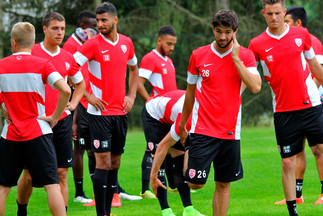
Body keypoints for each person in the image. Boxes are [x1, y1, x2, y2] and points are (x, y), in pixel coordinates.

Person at [178, 9, 261, 216]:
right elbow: (190, 94)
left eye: (227, 32)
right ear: (212, 29)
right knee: (195, 184)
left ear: (235, 31)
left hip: (231, 132)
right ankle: (189, 153)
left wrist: (236, 59)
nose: (222, 37)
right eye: (218, 31)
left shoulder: (245, 55)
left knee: (223, 184)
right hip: (203, 130)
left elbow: (256, 87)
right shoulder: (198, 55)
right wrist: (182, 124)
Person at [248, 0, 323, 215]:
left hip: (311, 105)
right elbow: (250, 76)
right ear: (263, 13)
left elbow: (315, 68)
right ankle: (293, 211)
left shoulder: (302, 34)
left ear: (284, 12)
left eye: (278, 13)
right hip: (283, 111)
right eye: (269, 13)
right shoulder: (256, 44)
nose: (274, 17)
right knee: (288, 163)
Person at [16, 12, 85, 215]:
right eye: (55, 28)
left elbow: (80, 84)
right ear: (44, 29)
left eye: (63, 29)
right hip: (34, 121)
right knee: (28, 175)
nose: (60, 32)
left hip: (61, 121)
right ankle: (22, 211)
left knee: (61, 174)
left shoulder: (67, 57)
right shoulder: (32, 52)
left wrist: (73, 103)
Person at [73, 2, 139, 216]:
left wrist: (132, 95)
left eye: (104, 20)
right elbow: (71, 67)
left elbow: (134, 68)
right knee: (102, 161)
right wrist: (87, 95)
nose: (100, 24)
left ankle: (109, 209)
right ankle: (102, 213)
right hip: (99, 114)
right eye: (98, 20)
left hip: (120, 113)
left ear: (115, 20)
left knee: (115, 162)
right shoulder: (92, 45)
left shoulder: (127, 43)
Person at [0, 22, 71, 216]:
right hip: (38, 132)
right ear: (32, 43)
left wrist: (4, 110)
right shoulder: (42, 64)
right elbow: (66, 89)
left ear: (13, 42)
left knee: (3, 188)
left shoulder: (1, 65)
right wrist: (55, 117)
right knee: (52, 186)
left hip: (10, 134)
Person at [274, 5, 323, 205]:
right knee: (296, 152)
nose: (282, 25)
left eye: (286, 21)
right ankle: (297, 195)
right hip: (294, 107)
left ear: (298, 23)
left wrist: (307, 95)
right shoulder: (286, 42)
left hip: (313, 105)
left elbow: (318, 74)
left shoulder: (312, 41)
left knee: (318, 150)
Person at [146, 90, 205, 216]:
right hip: (153, 116)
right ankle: (166, 211)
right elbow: (162, 146)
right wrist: (153, 176)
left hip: (172, 116)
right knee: (160, 163)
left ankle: (188, 210)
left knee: (179, 159)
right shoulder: (187, 118)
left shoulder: (204, 117)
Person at [137, 25, 178, 199]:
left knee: (168, 148)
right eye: (169, 43)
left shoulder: (168, 60)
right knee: (153, 149)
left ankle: (174, 185)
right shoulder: (149, 58)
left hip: (169, 112)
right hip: (157, 114)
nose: (171, 48)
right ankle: (146, 189)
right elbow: (139, 84)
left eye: (174, 44)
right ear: (159, 40)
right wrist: (150, 102)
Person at [63, 10, 97, 205]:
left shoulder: (87, 42)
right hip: (77, 101)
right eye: (93, 26)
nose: (97, 29)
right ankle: (78, 191)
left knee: (95, 148)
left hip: (88, 100)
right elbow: (71, 78)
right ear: (84, 27)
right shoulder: (71, 46)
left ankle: (113, 189)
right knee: (80, 147)